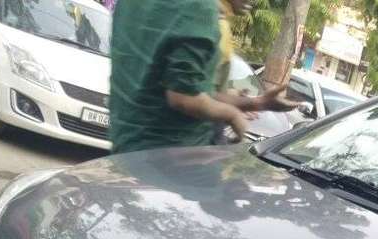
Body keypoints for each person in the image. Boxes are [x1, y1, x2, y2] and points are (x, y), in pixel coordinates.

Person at [109, 0, 300, 154]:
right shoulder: (198, 8)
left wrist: (257, 103)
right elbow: (184, 98)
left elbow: (193, 88)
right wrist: (232, 114)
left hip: (126, 146)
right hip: (171, 160)